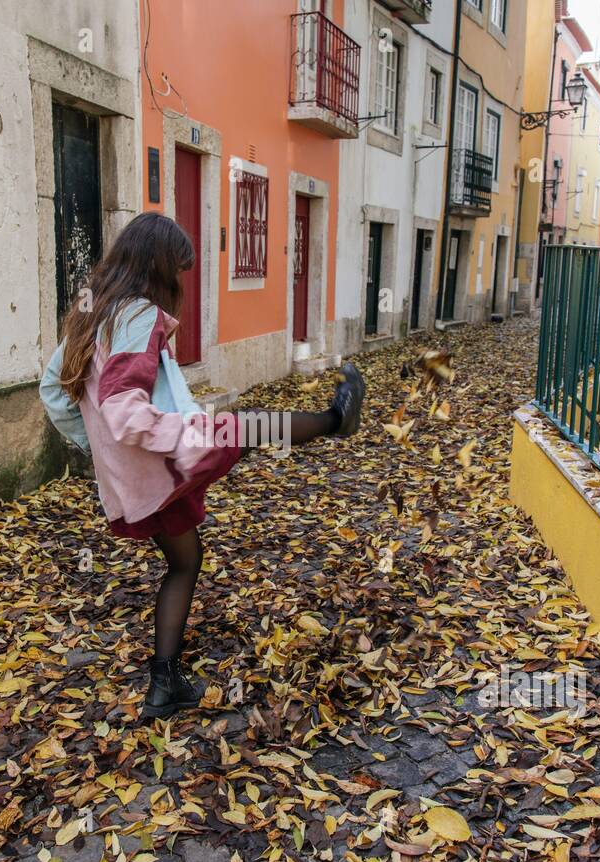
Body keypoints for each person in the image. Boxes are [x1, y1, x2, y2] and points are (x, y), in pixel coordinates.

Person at [40, 212, 365, 719]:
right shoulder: (138, 316)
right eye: (179, 269)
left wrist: (100, 452)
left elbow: (53, 393)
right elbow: (124, 411)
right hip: (168, 459)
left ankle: (164, 685)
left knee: (185, 561)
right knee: (254, 425)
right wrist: (180, 438)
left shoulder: (92, 316)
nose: (180, 281)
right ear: (158, 266)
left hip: (134, 480)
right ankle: (334, 419)